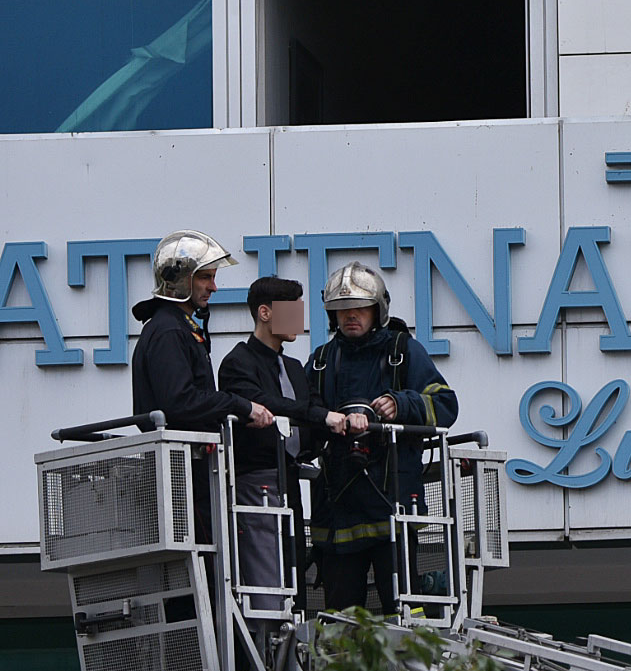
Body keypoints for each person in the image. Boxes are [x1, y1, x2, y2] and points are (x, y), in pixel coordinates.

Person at [306, 263, 457, 614]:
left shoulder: (404, 352)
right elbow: (306, 417)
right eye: (342, 309)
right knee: (341, 622)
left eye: (360, 308)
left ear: (378, 310)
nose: (350, 316)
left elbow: (446, 405)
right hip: (338, 509)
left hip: (393, 505)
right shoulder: (321, 361)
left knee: (405, 613)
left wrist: (401, 404)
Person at [219, 276, 358, 612]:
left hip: (291, 477)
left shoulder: (295, 367)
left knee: (293, 561)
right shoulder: (238, 363)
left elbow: (314, 410)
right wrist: (321, 416)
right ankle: (267, 637)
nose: (299, 319)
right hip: (257, 479)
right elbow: (270, 403)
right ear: (265, 313)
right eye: (292, 310)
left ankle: (293, 633)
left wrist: (349, 419)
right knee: (266, 569)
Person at [131, 230, 272, 544]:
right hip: (184, 476)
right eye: (205, 277)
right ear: (181, 280)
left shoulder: (174, 326)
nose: (213, 287)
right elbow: (179, 401)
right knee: (203, 562)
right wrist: (240, 405)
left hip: (189, 470)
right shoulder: (169, 330)